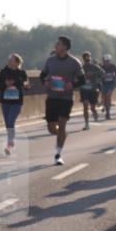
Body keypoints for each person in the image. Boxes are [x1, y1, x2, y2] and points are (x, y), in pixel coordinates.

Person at [40, 36, 85, 165]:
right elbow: (42, 76)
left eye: (58, 44)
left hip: (66, 98)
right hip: (52, 97)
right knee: (51, 128)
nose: (56, 45)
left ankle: (58, 154)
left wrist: (72, 85)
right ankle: (62, 134)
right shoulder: (50, 60)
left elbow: (82, 80)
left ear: (65, 47)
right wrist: (46, 82)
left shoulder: (74, 62)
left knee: (62, 122)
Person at [0, 54, 30, 155]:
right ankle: (11, 140)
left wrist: (26, 85)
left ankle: (9, 143)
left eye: (11, 60)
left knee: (11, 120)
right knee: (7, 123)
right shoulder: (3, 72)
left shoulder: (22, 73)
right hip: (5, 101)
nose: (9, 61)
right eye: (8, 59)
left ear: (17, 62)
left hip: (17, 102)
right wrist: (5, 84)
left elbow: (26, 84)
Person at [79, 52, 103, 129]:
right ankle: (87, 124)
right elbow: (75, 75)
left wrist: (93, 74)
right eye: (86, 59)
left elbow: (102, 73)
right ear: (83, 59)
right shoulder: (80, 67)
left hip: (93, 89)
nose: (87, 61)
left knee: (92, 107)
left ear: (90, 58)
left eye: (88, 59)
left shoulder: (95, 66)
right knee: (85, 106)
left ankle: (95, 113)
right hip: (84, 89)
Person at [98, 55, 116, 120]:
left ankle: (108, 113)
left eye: (107, 61)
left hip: (111, 84)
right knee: (104, 97)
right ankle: (104, 106)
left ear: (110, 61)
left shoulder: (113, 66)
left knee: (108, 96)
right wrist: (102, 76)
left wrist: (114, 75)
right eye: (105, 61)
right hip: (103, 83)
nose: (106, 63)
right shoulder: (101, 67)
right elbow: (98, 75)